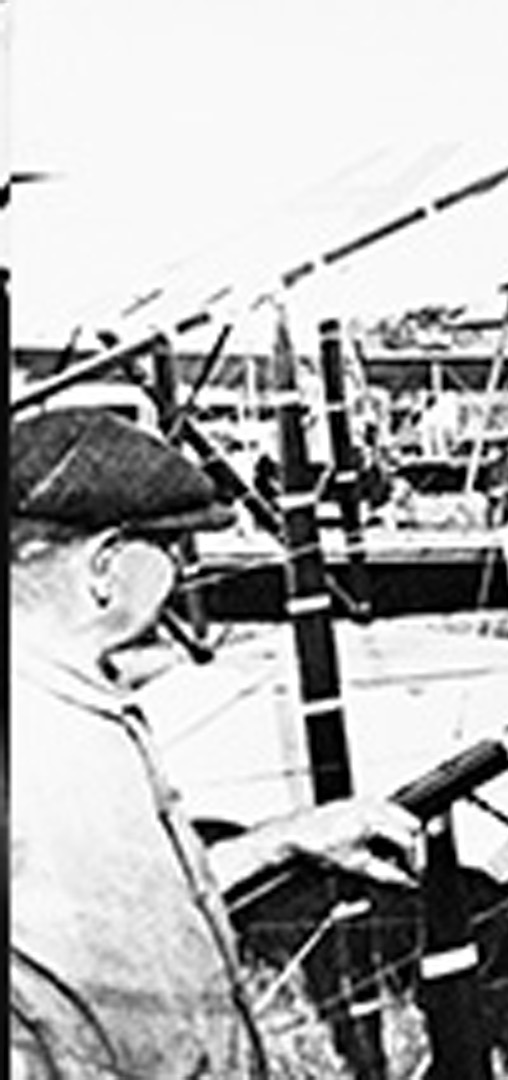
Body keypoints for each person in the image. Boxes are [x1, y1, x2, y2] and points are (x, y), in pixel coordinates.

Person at [9, 407, 418, 1078]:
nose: (178, 573)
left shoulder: (78, 702)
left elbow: (129, 916)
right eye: (170, 551)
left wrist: (280, 842)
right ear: (106, 565)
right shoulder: (34, 734)